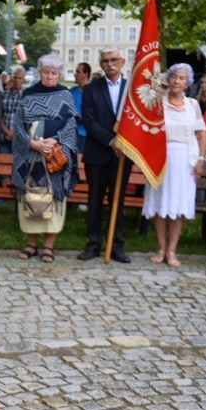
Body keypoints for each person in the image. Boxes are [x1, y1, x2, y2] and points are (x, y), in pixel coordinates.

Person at [11, 54, 78, 263]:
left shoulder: (65, 95)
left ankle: (48, 246)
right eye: (46, 72)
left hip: (55, 157)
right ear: (39, 73)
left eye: (54, 73)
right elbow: (18, 125)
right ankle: (31, 244)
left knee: (54, 199)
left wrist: (54, 141)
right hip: (31, 157)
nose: (50, 76)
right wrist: (32, 143)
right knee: (31, 197)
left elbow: (71, 125)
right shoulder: (28, 95)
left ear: (59, 74)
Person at [142, 64, 206, 267]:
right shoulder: (157, 104)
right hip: (161, 157)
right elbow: (147, 132)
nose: (177, 81)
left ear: (187, 83)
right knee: (160, 203)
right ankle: (161, 248)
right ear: (168, 79)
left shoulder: (193, 105)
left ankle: (172, 251)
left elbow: (202, 134)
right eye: (174, 77)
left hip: (185, 158)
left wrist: (201, 159)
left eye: (182, 78)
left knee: (178, 206)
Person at [77, 46, 132, 263]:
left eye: (114, 59)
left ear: (123, 62)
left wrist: (123, 144)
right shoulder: (91, 89)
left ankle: (116, 245)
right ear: (101, 64)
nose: (110, 64)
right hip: (98, 152)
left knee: (117, 201)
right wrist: (111, 141)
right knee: (95, 200)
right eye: (106, 60)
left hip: (122, 156)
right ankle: (93, 243)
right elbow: (89, 121)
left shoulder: (132, 89)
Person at [70, 62, 92, 153]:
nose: (75, 74)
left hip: (86, 135)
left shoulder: (94, 91)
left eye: (78, 72)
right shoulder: (72, 91)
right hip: (71, 134)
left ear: (86, 74)